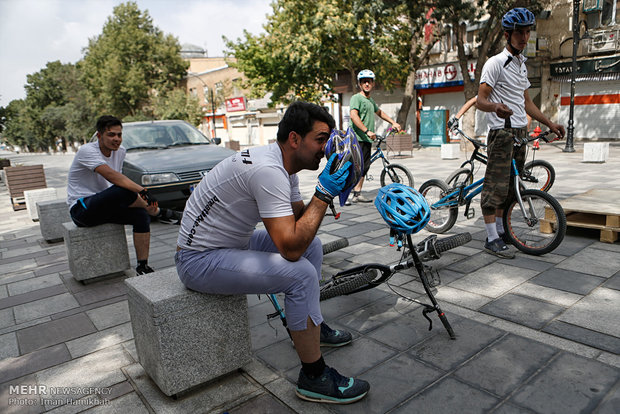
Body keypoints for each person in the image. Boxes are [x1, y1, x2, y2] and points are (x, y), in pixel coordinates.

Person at [175, 101, 370, 404]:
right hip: (198, 259)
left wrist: (327, 194)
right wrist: (323, 193)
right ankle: (313, 376)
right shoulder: (269, 170)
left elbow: (296, 224)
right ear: (294, 139)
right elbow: (290, 249)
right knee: (301, 273)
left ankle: (308, 327)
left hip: (229, 244)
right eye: (320, 140)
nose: (326, 149)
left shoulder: (282, 165)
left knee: (314, 247)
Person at [476, 8, 565, 258]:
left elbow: (527, 103)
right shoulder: (495, 63)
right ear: (508, 34)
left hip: (519, 133)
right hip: (502, 133)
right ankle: (491, 237)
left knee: (509, 188)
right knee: (494, 187)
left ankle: (503, 231)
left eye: (527, 32)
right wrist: (495, 106)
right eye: (519, 33)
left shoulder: (521, 65)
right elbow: (480, 99)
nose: (524, 37)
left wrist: (550, 123)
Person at [66, 115, 179, 275]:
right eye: (111, 134)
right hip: (82, 210)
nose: (117, 139)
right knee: (124, 190)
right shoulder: (87, 151)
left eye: (119, 134)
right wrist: (143, 191)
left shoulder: (120, 152)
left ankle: (142, 266)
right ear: (99, 135)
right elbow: (112, 176)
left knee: (140, 215)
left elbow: (117, 183)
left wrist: (142, 202)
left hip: (105, 206)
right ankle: (161, 213)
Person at [348, 69, 401, 204]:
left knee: (364, 167)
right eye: (364, 81)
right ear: (360, 84)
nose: (367, 84)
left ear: (373, 84)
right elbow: (354, 116)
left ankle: (357, 193)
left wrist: (393, 122)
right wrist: (367, 131)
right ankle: (346, 193)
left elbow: (380, 112)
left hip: (366, 139)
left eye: (369, 81)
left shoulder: (370, 100)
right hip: (356, 138)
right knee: (354, 167)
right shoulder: (356, 98)